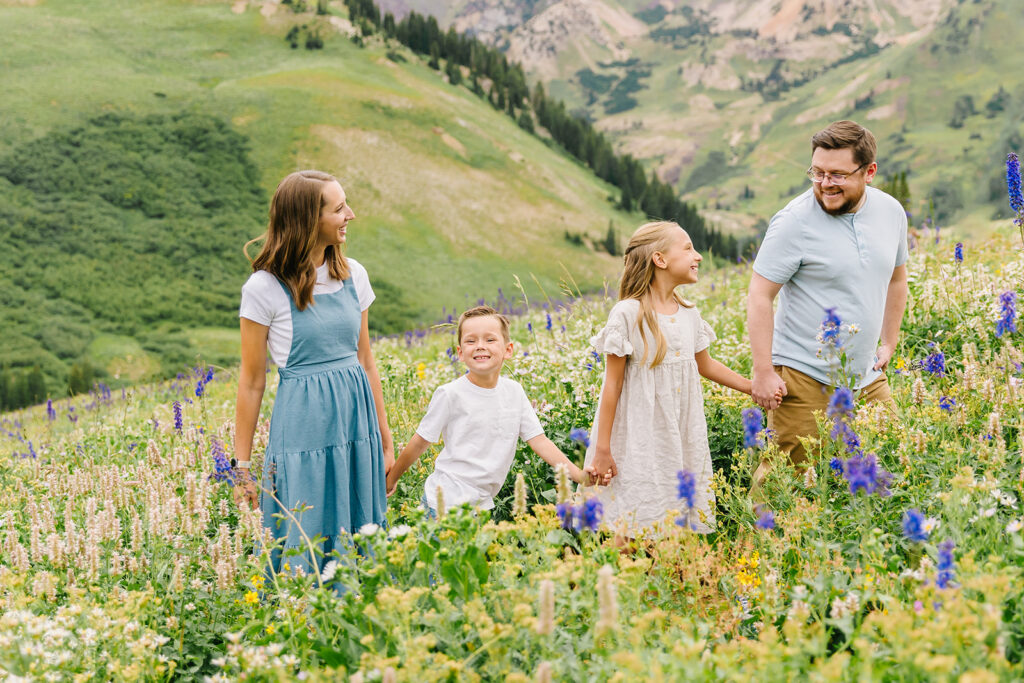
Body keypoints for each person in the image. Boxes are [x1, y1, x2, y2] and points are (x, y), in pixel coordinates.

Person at [233, 170, 393, 573]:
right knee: (305, 533)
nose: (350, 215)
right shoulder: (264, 288)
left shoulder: (354, 273)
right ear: (308, 220)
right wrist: (242, 468)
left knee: (362, 537)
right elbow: (251, 383)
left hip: (358, 428)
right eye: (339, 209)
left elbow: (365, 360)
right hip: (304, 432)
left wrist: (385, 439)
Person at [747, 120, 909, 476]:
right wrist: (763, 371)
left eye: (837, 174)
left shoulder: (891, 212)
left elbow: (897, 280)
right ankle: (758, 535)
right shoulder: (793, 221)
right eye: (817, 172)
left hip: (866, 375)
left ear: (869, 172)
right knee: (784, 486)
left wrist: (889, 342)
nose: (824, 184)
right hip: (804, 376)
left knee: (896, 466)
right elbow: (760, 294)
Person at [585, 221, 752, 536]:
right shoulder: (627, 314)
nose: (698, 256)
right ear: (659, 259)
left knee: (675, 518)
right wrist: (603, 449)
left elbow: (707, 365)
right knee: (634, 520)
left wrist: (752, 388)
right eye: (688, 248)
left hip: (681, 431)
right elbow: (613, 385)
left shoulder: (689, 314)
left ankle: (667, 581)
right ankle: (621, 581)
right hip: (638, 436)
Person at [386, 305, 594, 514]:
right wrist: (391, 479)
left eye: (490, 339)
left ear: (508, 350)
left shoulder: (514, 392)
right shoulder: (450, 394)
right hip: (444, 502)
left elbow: (540, 441)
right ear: (460, 353)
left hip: (482, 504)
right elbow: (420, 442)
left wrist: (579, 475)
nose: (480, 346)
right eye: (470, 340)